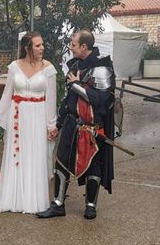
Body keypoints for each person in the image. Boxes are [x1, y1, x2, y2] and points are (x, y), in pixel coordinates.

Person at [0, 32, 57, 214]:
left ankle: (33, 199)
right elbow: (7, 94)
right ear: (27, 48)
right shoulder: (14, 67)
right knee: (18, 156)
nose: (42, 48)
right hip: (18, 117)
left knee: (36, 155)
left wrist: (51, 125)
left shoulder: (49, 68)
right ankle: (15, 196)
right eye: (37, 45)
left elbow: (51, 99)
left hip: (38, 116)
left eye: (42, 45)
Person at [37, 29, 114, 220]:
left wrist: (76, 85)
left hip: (91, 127)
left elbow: (100, 100)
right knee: (61, 162)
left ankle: (90, 206)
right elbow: (68, 101)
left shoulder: (102, 69)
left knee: (93, 165)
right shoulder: (75, 67)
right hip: (72, 124)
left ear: (84, 46)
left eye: (73, 44)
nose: (71, 47)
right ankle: (57, 204)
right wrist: (58, 124)